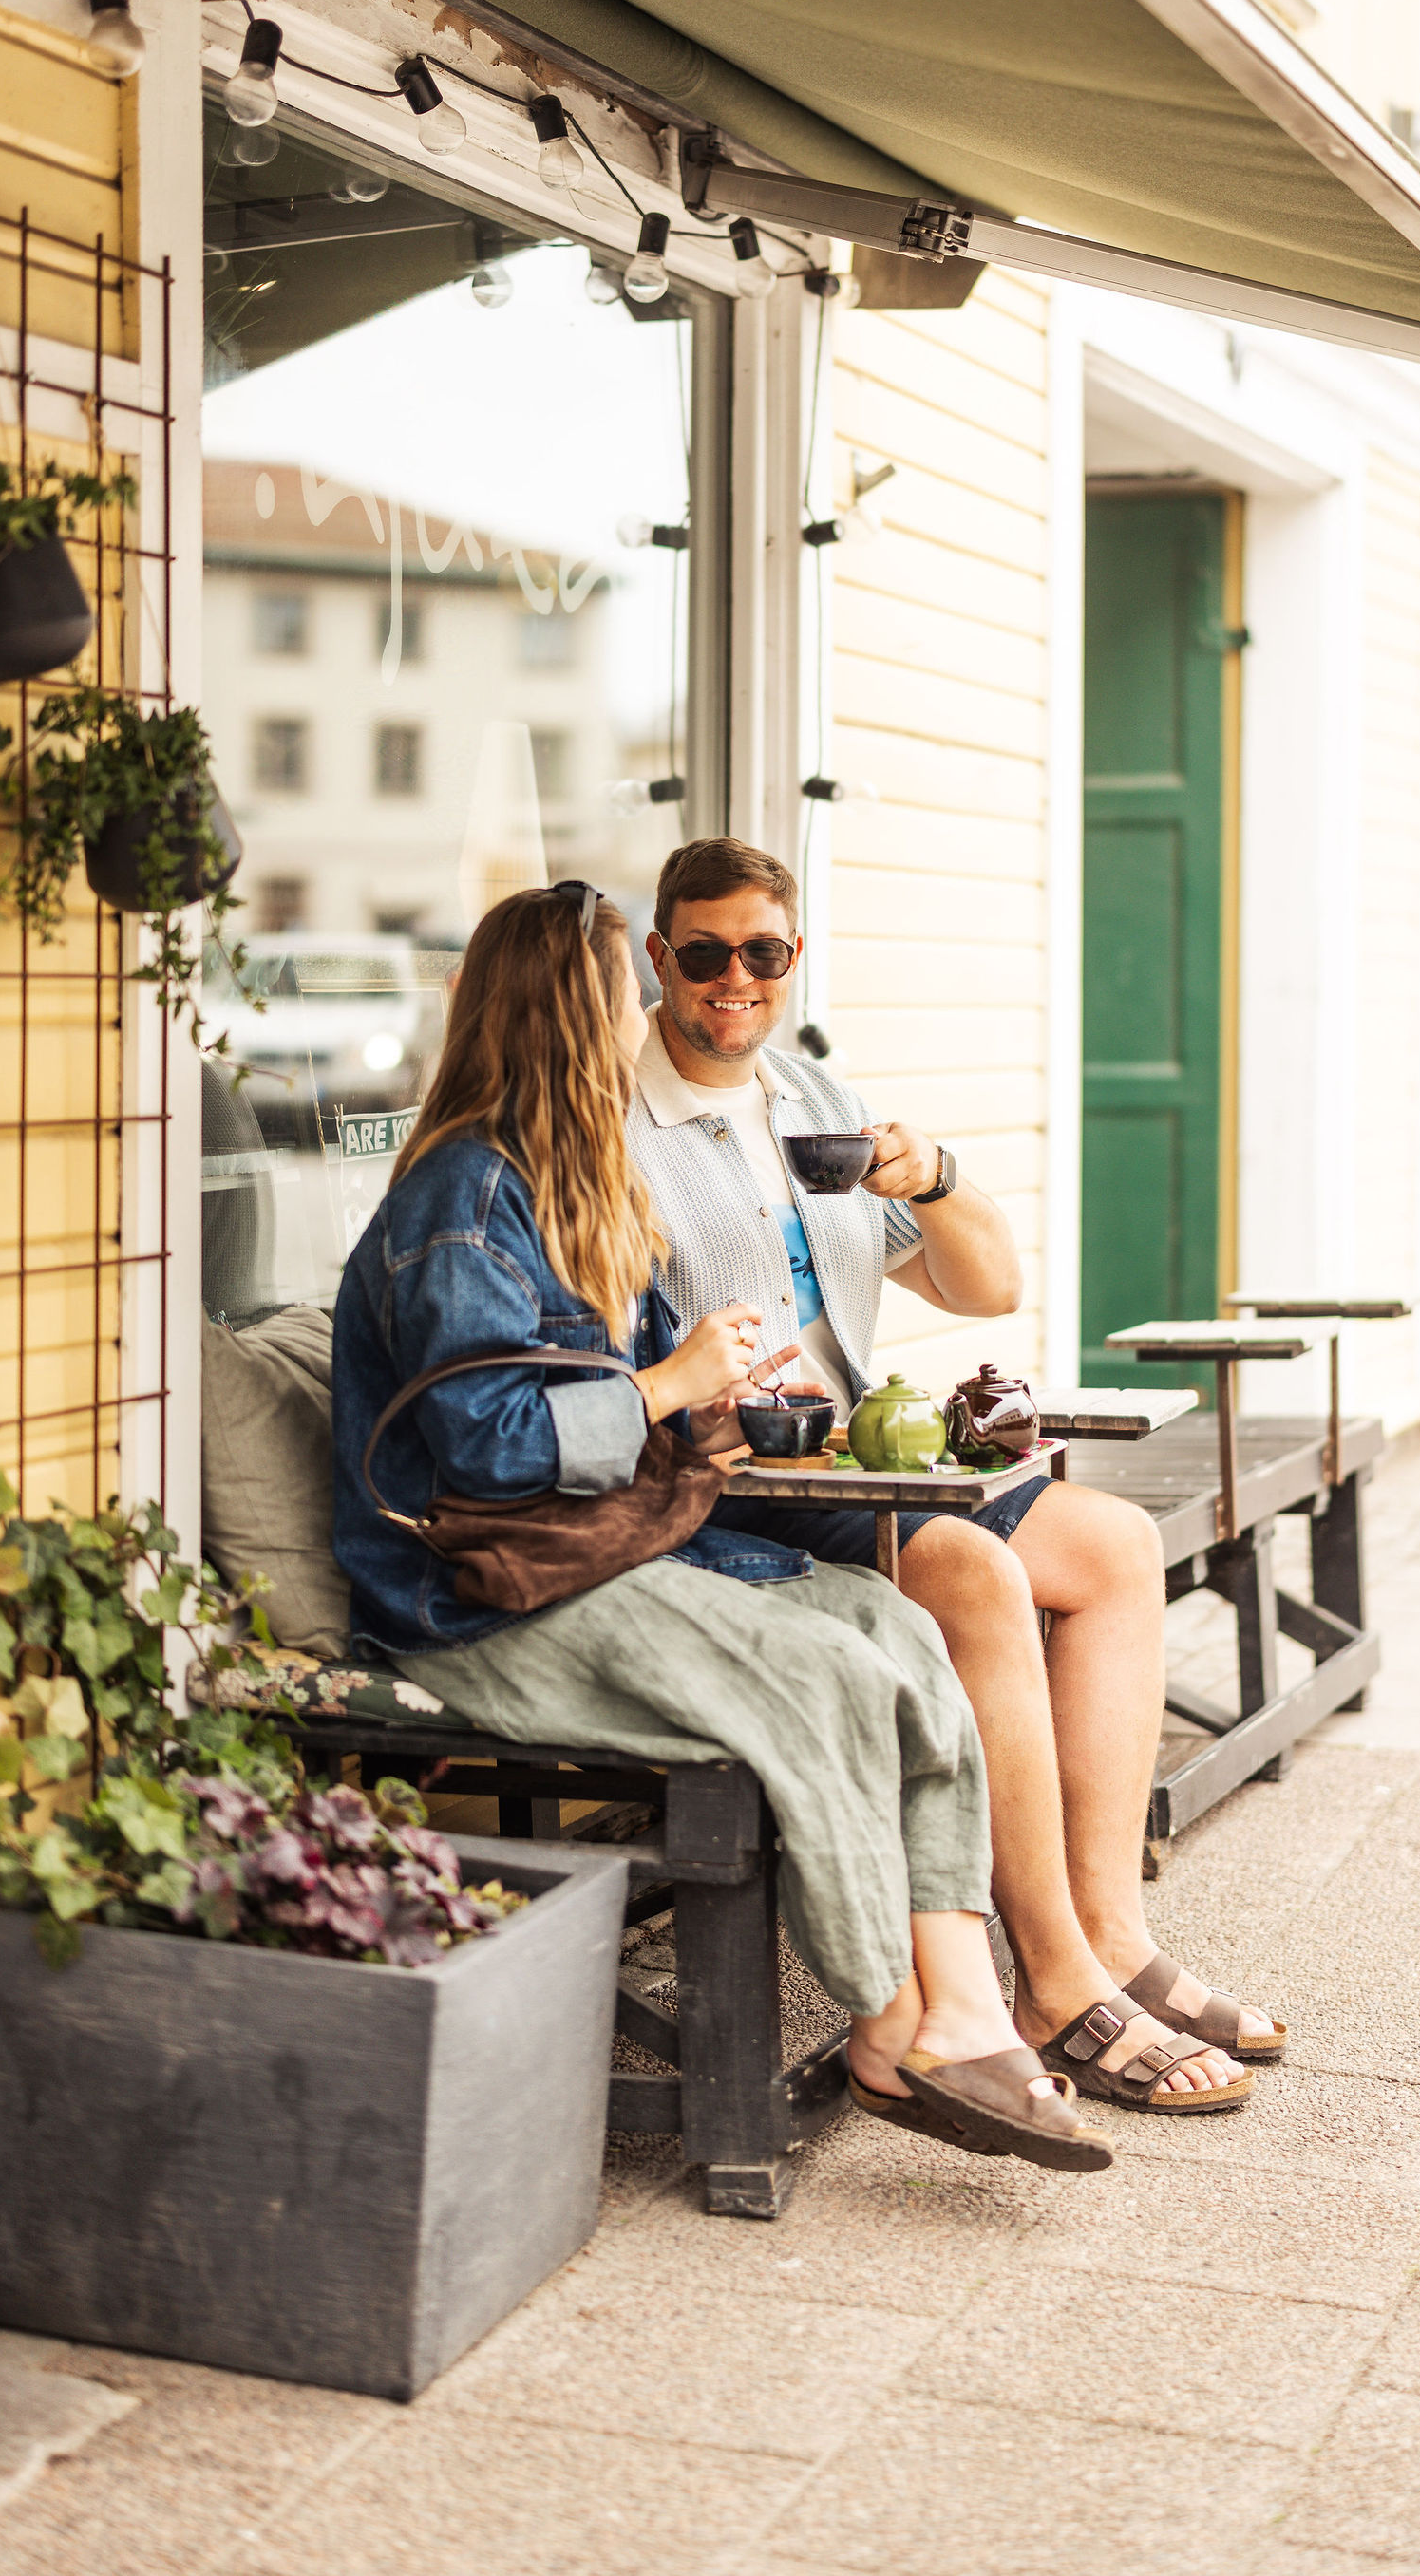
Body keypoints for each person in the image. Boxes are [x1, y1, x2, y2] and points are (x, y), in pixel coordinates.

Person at [331, 879, 1113, 2172]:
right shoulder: (463, 1195)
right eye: (616, 1001)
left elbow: (637, 1413)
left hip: (605, 1542)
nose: (635, 1024)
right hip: (475, 1596)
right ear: (555, 1024)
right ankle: (891, 2015)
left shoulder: (570, 1181)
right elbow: (490, 1447)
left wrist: (728, 1408)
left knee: (890, 1629)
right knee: (823, 1676)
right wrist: (668, 1387)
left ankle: (966, 2001)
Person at [626, 837, 1285, 2117]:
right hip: (741, 1484)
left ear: (793, 958)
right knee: (978, 1569)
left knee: (1111, 1551)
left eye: (761, 953)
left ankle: (1113, 1935)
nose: (732, 981)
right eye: (702, 954)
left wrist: (928, 1177)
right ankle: (1049, 1977)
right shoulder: (624, 1114)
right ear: (661, 958)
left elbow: (985, 1283)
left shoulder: (808, 1094)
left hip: (866, 1458)